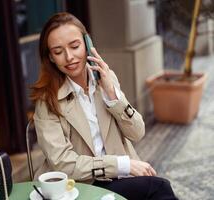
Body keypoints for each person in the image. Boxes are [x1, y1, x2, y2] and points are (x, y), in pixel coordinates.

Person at [30, 12, 178, 200]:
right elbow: (64, 164)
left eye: (75, 46)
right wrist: (121, 165)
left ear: (87, 44)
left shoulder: (106, 79)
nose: (69, 57)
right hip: (77, 186)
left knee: (158, 188)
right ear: (50, 57)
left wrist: (112, 95)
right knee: (159, 188)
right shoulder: (47, 100)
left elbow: (137, 132)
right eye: (58, 52)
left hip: (116, 179)